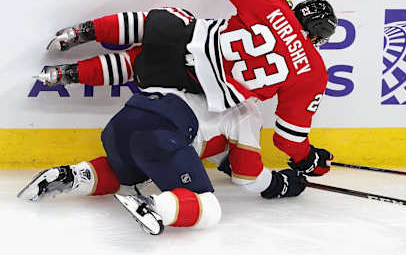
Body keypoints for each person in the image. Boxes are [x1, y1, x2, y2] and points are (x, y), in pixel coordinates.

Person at [36, 0, 337, 179]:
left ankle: (82, 33)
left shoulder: (273, 2)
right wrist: (310, 160)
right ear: (318, 36)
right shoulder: (312, 72)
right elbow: (288, 140)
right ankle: (69, 75)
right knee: (135, 65)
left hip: (186, 37)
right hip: (191, 84)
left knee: (155, 23)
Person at [18, 88, 308, 235]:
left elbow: (217, 146)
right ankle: (156, 206)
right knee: (209, 209)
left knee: (128, 174)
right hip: (161, 134)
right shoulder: (247, 109)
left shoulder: (194, 71)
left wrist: (226, 161)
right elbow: (247, 176)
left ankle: (72, 175)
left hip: (125, 121)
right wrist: (281, 183)